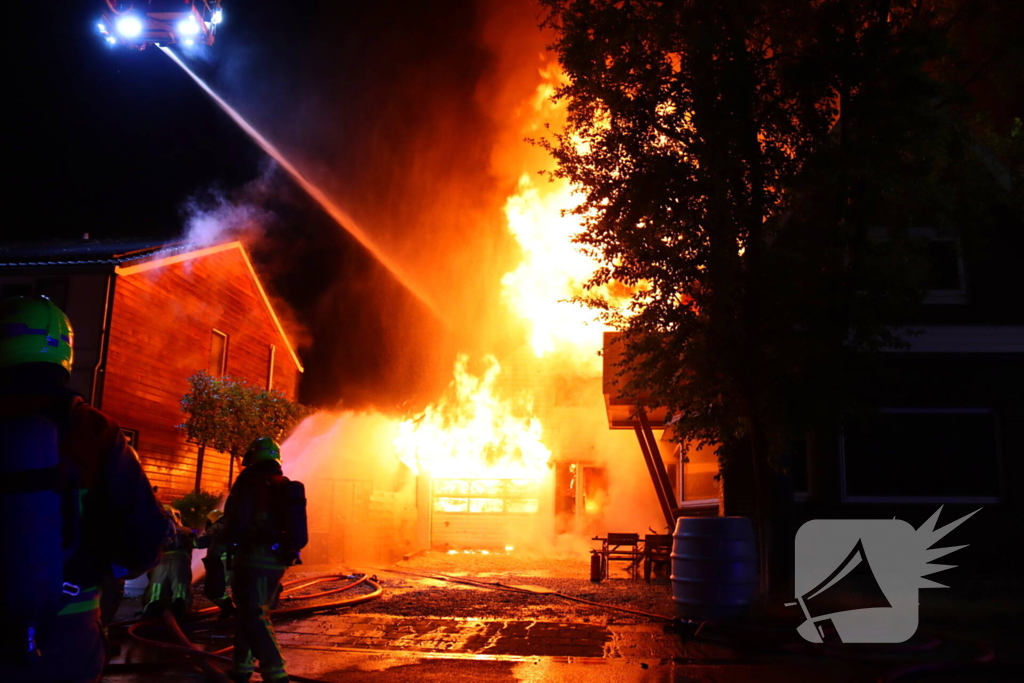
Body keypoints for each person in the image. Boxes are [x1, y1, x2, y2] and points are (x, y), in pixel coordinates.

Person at [0, 294, 167, 683]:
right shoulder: (94, 432)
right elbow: (145, 538)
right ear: (66, 351)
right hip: (66, 630)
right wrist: (97, 569)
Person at [221, 437, 292, 683]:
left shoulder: (249, 482)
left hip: (252, 559)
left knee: (254, 614)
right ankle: (241, 667)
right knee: (250, 613)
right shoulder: (281, 484)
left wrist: (221, 540)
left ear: (252, 456)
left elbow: (236, 520)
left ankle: (276, 672)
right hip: (277, 560)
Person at [142, 504, 195, 618]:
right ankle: (180, 613)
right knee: (180, 590)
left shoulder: (155, 529)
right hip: (181, 561)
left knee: (156, 591)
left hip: (161, 560)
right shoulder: (186, 531)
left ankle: (152, 614)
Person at [196, 508, 234, 617]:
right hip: (229, 561)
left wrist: (190, 542)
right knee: (222, 589)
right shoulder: (230, 526)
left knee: (216, 589)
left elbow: (205, 540)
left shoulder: (217, 526)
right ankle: (230, 611)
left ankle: (230, 611)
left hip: (223, 562)